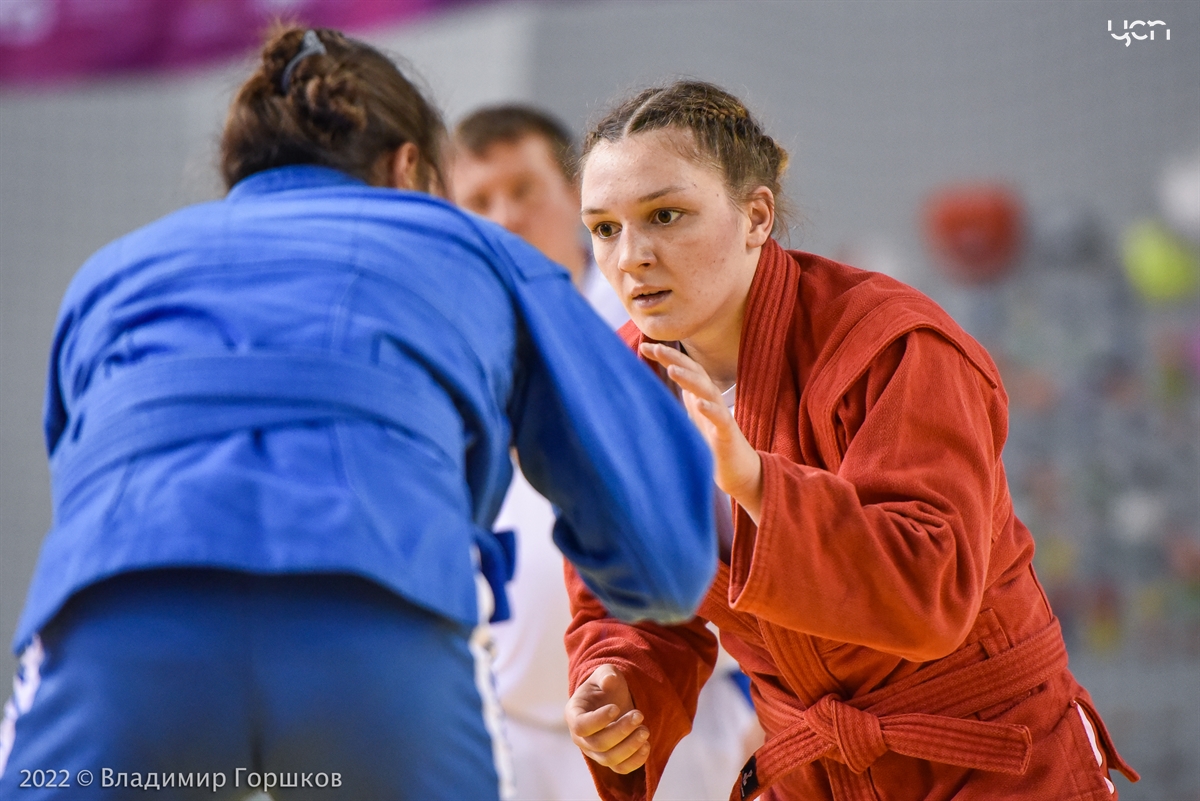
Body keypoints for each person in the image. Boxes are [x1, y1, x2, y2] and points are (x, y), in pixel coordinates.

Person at [0, 30, 719, 800]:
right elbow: (669, 560)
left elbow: (79, 481)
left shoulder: (109, 276)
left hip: (119, 631)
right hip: (379, 621)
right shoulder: (475, 249)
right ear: (407, 167)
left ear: (239, 168)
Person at [562, 80, 1139, 801]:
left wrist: (757, 481)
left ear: (755, 216)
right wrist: (617, 680)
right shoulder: (617, 391)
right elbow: (627, 597)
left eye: (665, 214)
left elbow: (929, 586)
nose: (631, 255)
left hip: (997, 763)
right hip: (815, 774)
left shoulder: (892, 345)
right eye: (605, 227)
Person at [451, 105, 760, 800]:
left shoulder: (662, 323)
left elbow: (740, 521)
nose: (504, 216)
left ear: (572, 194)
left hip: (675, 710)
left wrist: (755, 696)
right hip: (508, 720)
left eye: (523, 189)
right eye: (477, 200)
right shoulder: (453, 348)